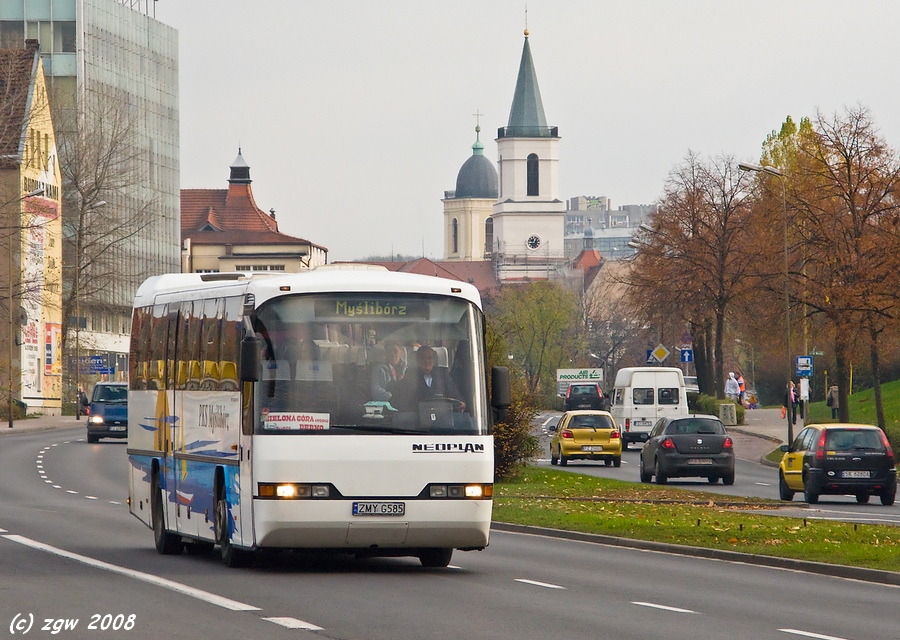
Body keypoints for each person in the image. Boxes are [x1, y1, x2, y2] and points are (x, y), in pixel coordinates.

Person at [393, 345, 465, 412]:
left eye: (429, 358)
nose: (427, 361)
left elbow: (456, 399)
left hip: (442, 418)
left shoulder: (443, 375)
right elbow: (403, 402)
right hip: (417, 421)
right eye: (423, 358)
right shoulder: (410, 376)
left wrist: (461, 404)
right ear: (417, 360)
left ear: (434, 360)